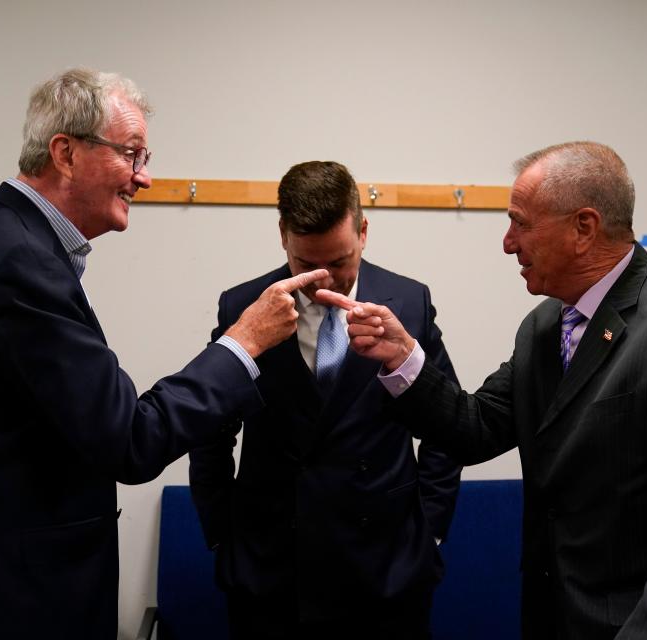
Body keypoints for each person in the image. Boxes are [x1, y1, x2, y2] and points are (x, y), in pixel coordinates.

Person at [0, 68, 328, 640]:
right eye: (132, 155)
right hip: (8, 601)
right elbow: (129, 439)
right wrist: (243, 342)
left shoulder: (4, 237)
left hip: (0, 582)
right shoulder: (21, 264)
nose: (143, 178)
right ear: (66, 153)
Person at [318, 142, 647, 639]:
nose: (507, 243)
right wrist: (404, 358)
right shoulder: (544, 326)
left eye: (520, 222)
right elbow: (476, 429)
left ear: (584, 228)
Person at [188, 160, 463, 639]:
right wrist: (221, 533)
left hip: (386, 568)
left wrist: (430, 530)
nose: (324, 281)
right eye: (306, 264)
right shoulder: (243, 305)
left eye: (339, 262)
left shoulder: (410, 301)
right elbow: (211, 430)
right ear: (282, 237)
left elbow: (448, 422)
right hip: (272, 569)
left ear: (363, 230)